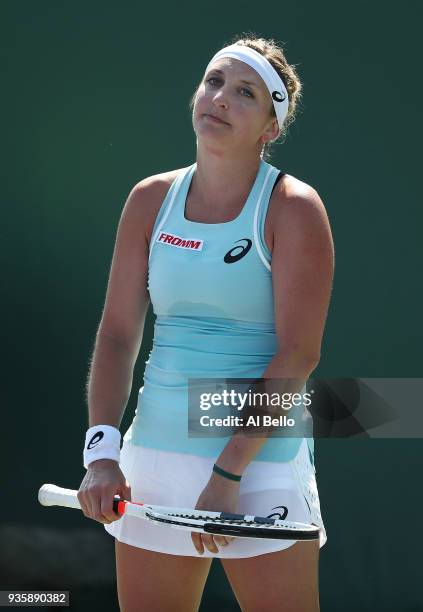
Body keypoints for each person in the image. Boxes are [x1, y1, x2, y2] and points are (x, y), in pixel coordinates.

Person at [78, 33, 334, 612]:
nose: (219, 97)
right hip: (154, 458)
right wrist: (102, 453)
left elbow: (299, 356)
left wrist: (227, 474)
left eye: (244, 92)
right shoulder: (149, 200)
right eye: (213, 81)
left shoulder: (295, 209)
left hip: (259, 464)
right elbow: (118, 334)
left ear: (271, 127)